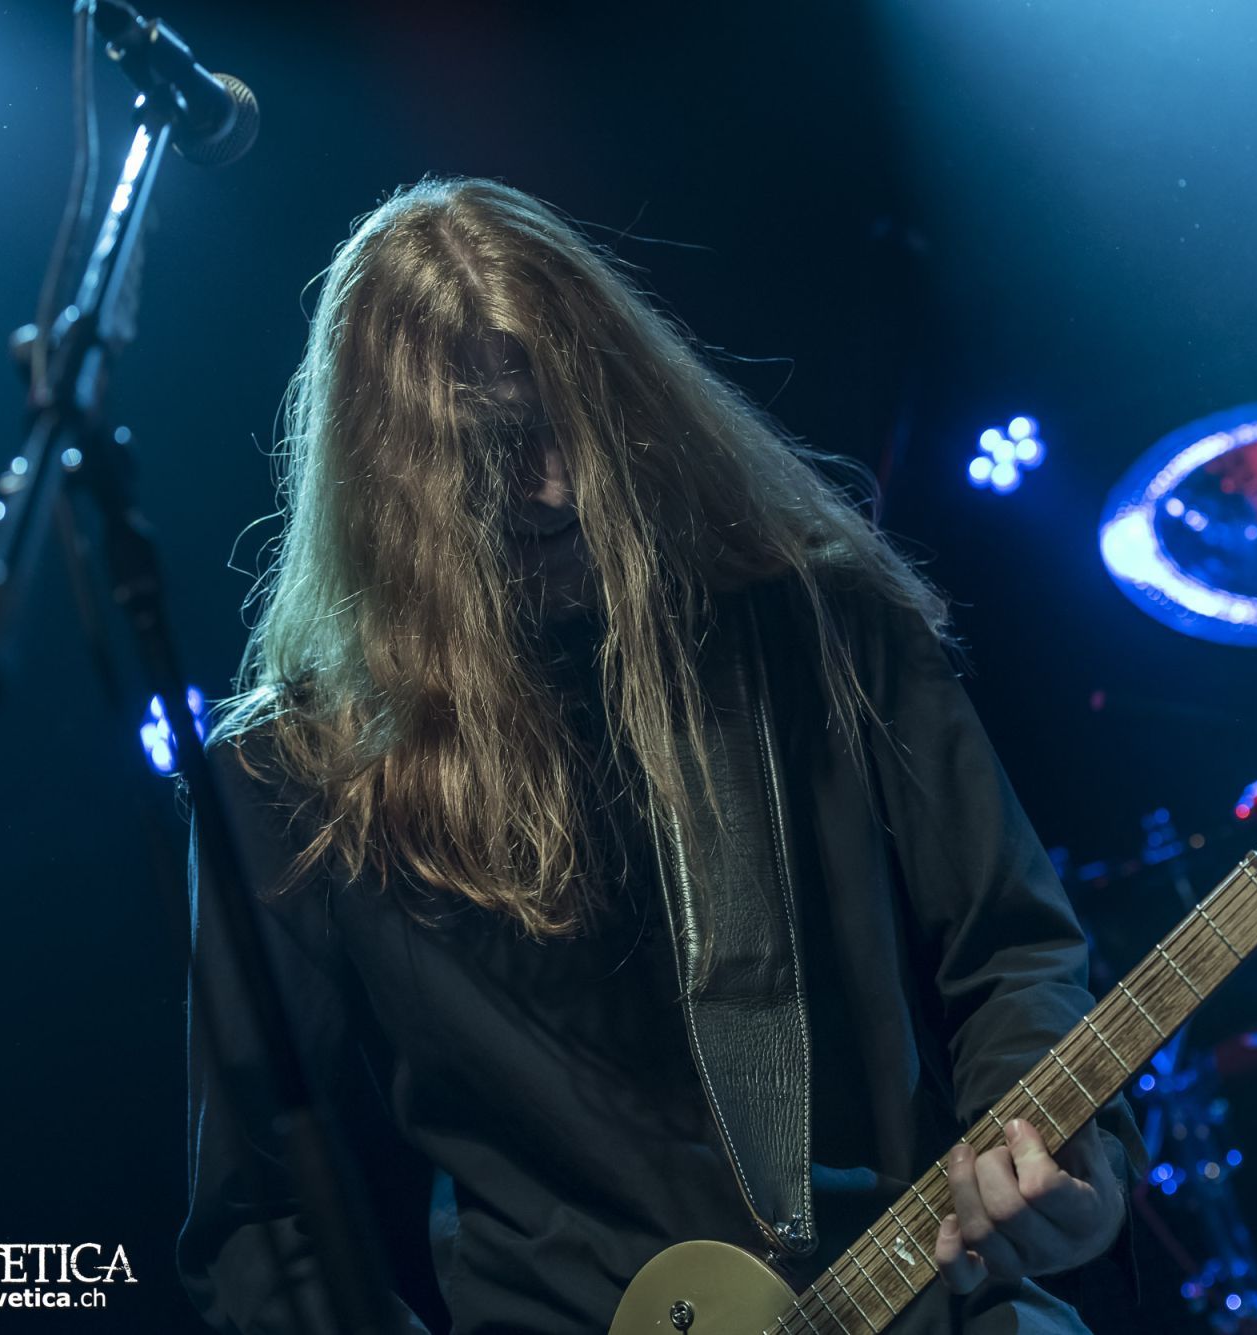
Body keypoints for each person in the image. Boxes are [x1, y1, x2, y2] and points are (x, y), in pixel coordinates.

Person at [176, 177, 1143, 1334]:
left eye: (577, 422)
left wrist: (1058, 1157)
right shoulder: (297, 779)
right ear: (394, 487)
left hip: (910, 1294)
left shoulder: (815, 627)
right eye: (498, 449)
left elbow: (1010, 947)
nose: (556, 485)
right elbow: (255, 1221)